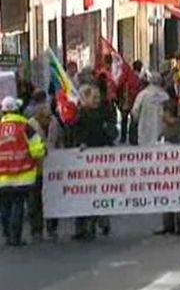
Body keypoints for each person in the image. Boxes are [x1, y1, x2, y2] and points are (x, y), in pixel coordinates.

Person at [0, 97, 46, 246]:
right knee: (18, 204)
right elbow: (36, 148)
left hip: (2, 176)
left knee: (5, 205)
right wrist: (43, 151)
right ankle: (15, 237)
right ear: (17, 109)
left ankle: (7, 234)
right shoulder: (25, 126)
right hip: (22, 175)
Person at [72, 84, 114, 241]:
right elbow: (76, 133)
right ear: (85, 98)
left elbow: (110, 134)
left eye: (98, 97)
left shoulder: (104, 112)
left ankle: (101, 222)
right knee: (83, 193)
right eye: (94, 97)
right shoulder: (79, 115)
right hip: (84, 160)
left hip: (100, 158)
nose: (97, 100)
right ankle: (83, 227)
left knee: (99, 191)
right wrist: (81, 143)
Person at [27, 104, 63, 241]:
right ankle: (36, 229)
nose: (49, 119)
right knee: (35, 200)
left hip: (53, 166)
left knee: (53, 199)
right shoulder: (29, 125)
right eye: (46, 117)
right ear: (38, 117)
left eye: (50, 116)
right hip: (36, 168)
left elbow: (60, 140)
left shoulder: (55, 123)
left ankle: (52, 228)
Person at [154, 101, 180, 236]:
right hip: (165, 168)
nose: (161, 114)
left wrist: (170, 146)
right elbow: (159, 140)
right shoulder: (164, 127)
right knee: (166, 196)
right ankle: (168, 225)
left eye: (163, 111)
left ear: (169, 113)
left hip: (178, 168)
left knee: (179, 196)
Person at [131, 73, 170, 146]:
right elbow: (169, 113)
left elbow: (135, 111)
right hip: (159, 129)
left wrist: (138, 120)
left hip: (144, 129)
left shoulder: (142, 95)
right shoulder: (165, 96)